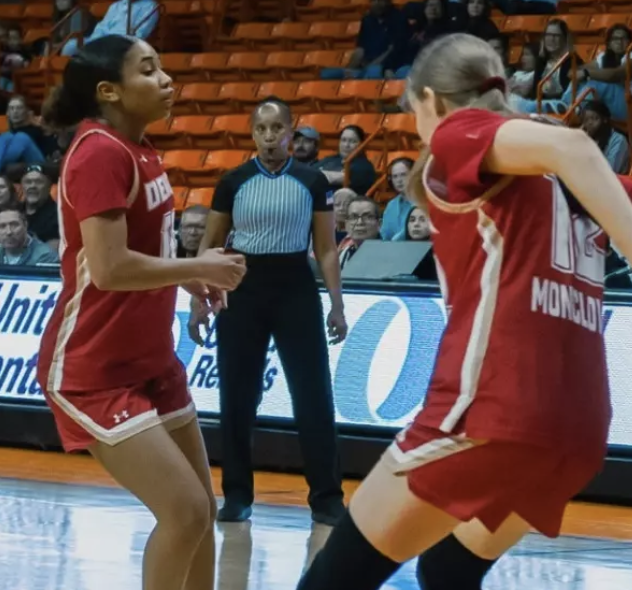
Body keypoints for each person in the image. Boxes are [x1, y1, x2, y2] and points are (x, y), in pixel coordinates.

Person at [294, 32, 632, 590]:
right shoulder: (570, 177)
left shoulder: (460, 134)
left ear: (431, 99)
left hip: (491, 408)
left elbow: (574, 145)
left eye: (414, 111)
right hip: (577, 430)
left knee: (333, 579)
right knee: (448, 570)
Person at [35, 37, 246, 590]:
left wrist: (189, 276)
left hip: (150, 358)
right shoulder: (100, 153)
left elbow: (148, 249)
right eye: (148, 70)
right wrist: (196, 265)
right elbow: (109, 269)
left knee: (200, 512)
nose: (166, 80)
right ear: (109, 91)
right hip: (94, 369)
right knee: (185, 512)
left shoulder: (140, 148)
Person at [195, 98, 348, 524]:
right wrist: (198, 301)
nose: (269, 137)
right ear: (252, 133)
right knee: (237, 396)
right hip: (242, 289)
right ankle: (237, 495)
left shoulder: (312, 181)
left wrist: (336, 305)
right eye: (261, 129)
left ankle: (327, 498)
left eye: (276, 128)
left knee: (313, 394)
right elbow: (210, 245)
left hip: (296, 287)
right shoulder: (232, 181)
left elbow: (326, 248)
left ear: (290, 132)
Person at [86, 0, 160, 45]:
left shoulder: (150, 6)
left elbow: (141, 33)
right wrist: (94, 41)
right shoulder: (116, 5)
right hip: (104, 40)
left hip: (125, 44)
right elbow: (102, 27)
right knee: (79, 43)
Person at [318, 123, 378, 195]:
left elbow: (343, 178)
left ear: (361, 144)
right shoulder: (330, 159)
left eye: (352, 141)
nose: (346, 145)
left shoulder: (364, 166)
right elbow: (311, 171)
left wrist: (318, 175)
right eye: (343, 140)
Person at [380, 156, 416, 241]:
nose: (399, 180)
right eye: (395, 176)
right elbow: (385, 236)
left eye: (403, 175)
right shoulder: (391, 205)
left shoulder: (425, 203)